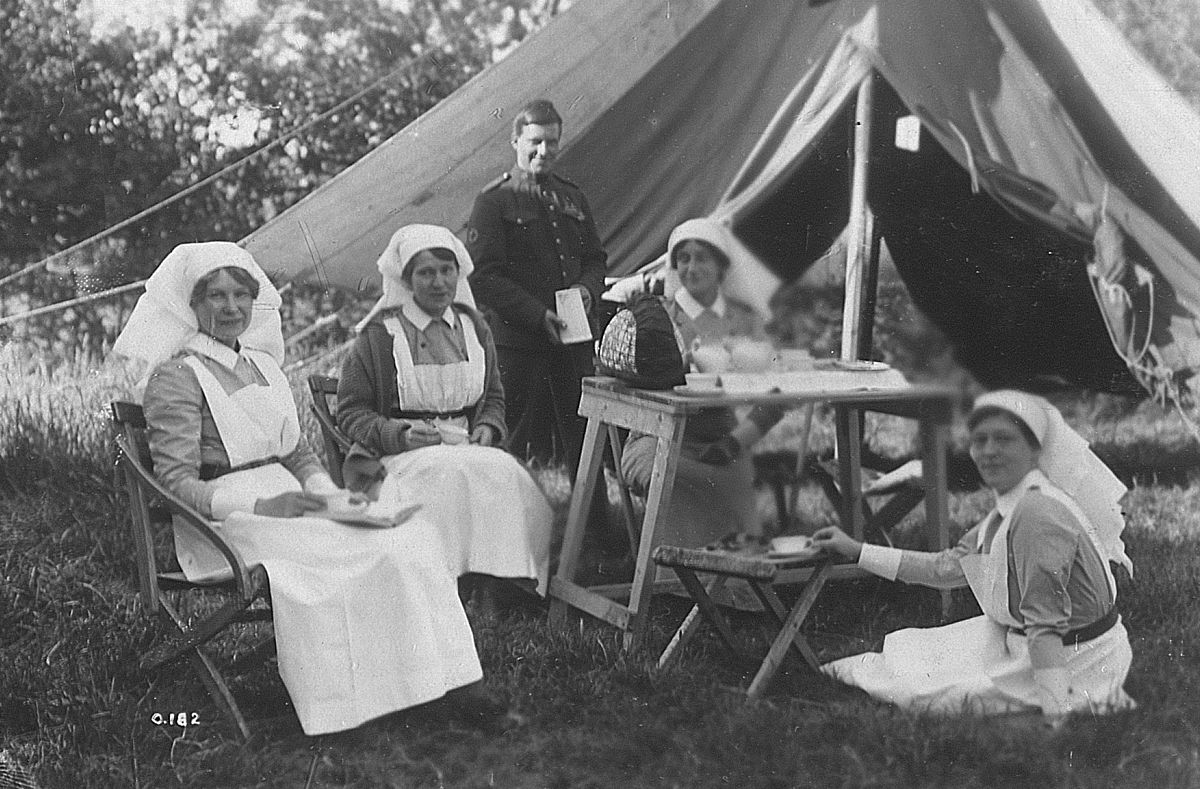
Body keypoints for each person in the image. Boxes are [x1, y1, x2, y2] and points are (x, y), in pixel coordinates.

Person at [112, 241, 502, 737]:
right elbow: (175, 483)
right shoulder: (177, 376)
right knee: (354, 555)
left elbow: (296, 453)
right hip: (223, 523)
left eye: (240, 296)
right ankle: (353, 702)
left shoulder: (264, 365)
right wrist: (260, 503)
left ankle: (443, 683)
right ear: (192, 304)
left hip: (292, 500)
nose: (231, 308)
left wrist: (329, 495)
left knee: (406, 540)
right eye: (216, 296)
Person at [812, 389, 1135, 721]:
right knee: (914, 655)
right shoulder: (1014, 503)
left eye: (1004, 440)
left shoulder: (1038, 515)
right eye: (980, 441)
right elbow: (948, 567)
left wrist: (1056, 717)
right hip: (1036, 641)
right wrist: (857, 551)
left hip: (1075, 661)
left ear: (1033, 450)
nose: (989, 452)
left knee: (926, 694)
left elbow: (1045, 626)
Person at [336, 224, 553, 605]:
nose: (439, 282)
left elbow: (493, 398)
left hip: (464, 445)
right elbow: (351, 411)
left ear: (459, 273)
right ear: (406, 279)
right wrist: (397, 434)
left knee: (506, 474)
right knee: (445, 476)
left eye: (446, 270)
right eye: (426, 272)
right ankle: (438, 589)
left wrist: (488, 425)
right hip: (392, 458)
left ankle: (495, 585)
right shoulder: (380, 334)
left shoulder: (474, 327)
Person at [620, 218, 785, 552]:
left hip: (722, 441)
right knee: (664, 471)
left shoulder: (744, 319)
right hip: (657, 436)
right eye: (683, 258)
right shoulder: (656, 317)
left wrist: (736, 442)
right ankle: (673, 581)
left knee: (732, 475)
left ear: (721, 266)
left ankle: (734, 588)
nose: (692, 268)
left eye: (702, 258)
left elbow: (777, 393)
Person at [466, 98, 607, 469]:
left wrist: (587, 291)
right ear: (516, 142)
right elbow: (482, 276)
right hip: (519, 343)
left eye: (552, 143)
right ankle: (509, 524)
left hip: (573, 341)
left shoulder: (572, 196)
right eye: (535, 142)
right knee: (508, 441)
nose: (544, 151)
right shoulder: (494, 201)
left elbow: (596, 259)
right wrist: (537, 314)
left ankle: (591, 525)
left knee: (583, 437)